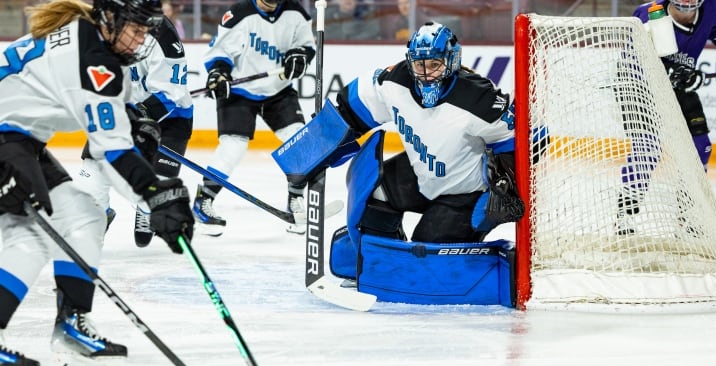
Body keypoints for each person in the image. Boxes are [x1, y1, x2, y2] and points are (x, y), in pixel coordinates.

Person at [0, 0, 193, 366]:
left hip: (20, 138)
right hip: (7, 139)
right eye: (136, 28)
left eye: (147, 29)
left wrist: (128, 118)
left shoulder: (90, 40)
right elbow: (111, 150)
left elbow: (105, 130)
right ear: (110, 18)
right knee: (29, 237)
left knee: (85, 214)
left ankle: (71, 330)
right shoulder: (91, 59)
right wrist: (154, 195)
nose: (142, 39)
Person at [274, 21, 522, 305]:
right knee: (371, 195)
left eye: (434, 64)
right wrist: (308, 153)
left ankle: (416, 252)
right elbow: (349, 111)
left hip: (463, 193)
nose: (426, 74)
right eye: (419, 65)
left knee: (426, 257)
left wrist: (503, 188)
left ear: (451, 62)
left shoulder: (478, 98)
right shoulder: (394, 81)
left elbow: (518, 140)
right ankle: (381, 259)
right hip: (420, 175)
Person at [616, 0, 716, 234]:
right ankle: (624, 216)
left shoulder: (713, 8)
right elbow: (637, 59)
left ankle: (686, 214)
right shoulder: (649, 14)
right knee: (648, 149)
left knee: (700, 147)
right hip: (637, 84)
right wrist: (674, 72)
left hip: (680, 86)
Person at [193, 0, 316, 236]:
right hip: (240, 91)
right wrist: (219, 73)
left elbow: (306, 46)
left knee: (299, 142)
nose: (268, 5)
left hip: (278, 90)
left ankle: (295, 201)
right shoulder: (238, 14)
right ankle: (203, 200)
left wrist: (299, 57)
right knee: (233, 147)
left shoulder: (296, 13)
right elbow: (219, 52)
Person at [76, 14, 194, 248]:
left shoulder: (164, 36)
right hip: (119, 114)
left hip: (169, 120)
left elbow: (172, 95)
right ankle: (96, 220)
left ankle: (145, 207)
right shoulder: (101, 28)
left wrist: (137, 112)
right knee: (91, 181)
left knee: (154, 192)